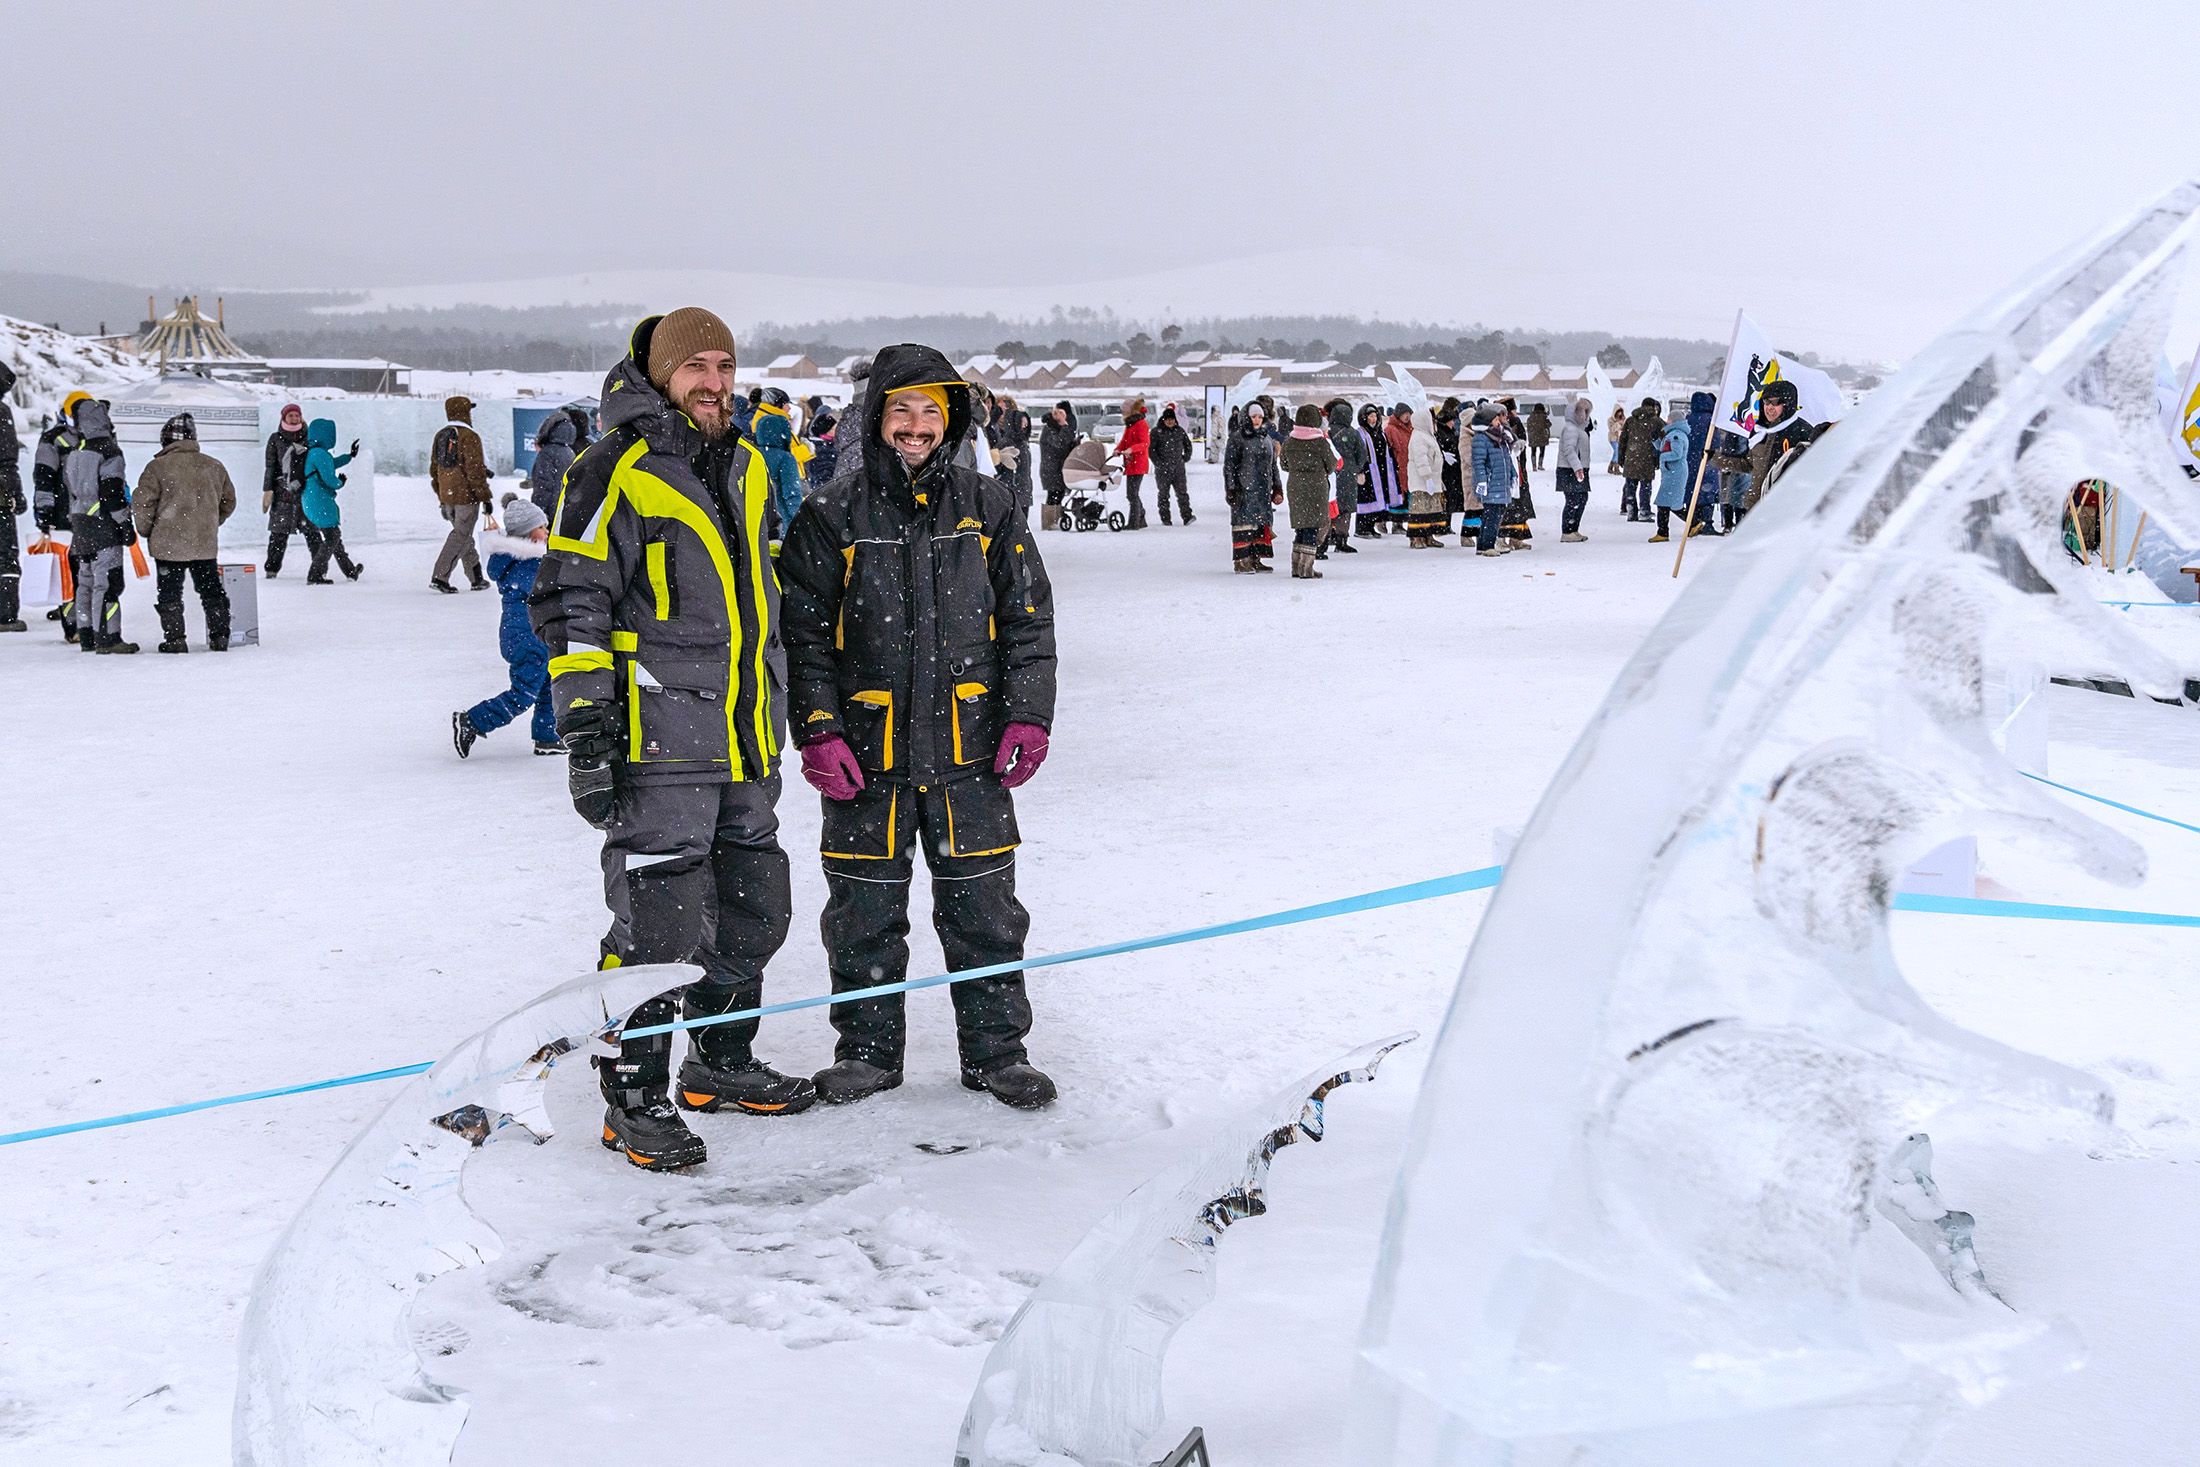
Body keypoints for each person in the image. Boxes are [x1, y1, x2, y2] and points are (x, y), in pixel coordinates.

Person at [532, 307, 813, 1172]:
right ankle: (633, 1097)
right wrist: (588, 732)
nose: (714, 382)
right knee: (659, 923)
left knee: (754, 905)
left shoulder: (749, 464)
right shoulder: (609, 467)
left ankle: (719, 1062)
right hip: (659, 738)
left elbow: (762, 599)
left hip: (745, 734)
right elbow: (571, 601)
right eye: (696, 366)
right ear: (660, 374)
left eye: (725, 365)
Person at [778, 344, 1060, 1109]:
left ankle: (996, 1051)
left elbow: (1028, 620)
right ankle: (868, 1052)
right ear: (876, 417)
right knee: (862, 914)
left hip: (972, 752)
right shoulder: (830, 514)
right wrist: (818, 728)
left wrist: (1028, 714)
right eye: (900, 409)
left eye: (930, 410)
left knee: (987, 913)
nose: (915, 425)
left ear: (951, 419)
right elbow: (803, 636)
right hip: (867, 756)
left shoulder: (989, 506)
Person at [453, 495, 560, 758]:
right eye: (541, 527)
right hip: (528, 637)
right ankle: (472, 721)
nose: (547, 532)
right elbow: (549, 593)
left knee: (547, 684)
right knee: (523, 694)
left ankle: (547, 736)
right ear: (527, 533)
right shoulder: (530, 564)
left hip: (529, 634)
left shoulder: (520, 560)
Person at [133, 413, 236, 653]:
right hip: (204, 543)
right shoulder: (213, 466)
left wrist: (148, 530)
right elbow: (228, 501)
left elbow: (143, 504)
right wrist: (210, 522)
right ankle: (220, 636)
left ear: (166, 440)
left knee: (170, 593)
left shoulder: (157, 467)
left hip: (168, 544)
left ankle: (175, 640)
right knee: (211, 590)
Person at [62, 397, 139, 653]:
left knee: (85, 582)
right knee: (108, 583)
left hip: (80, 523)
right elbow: (112, 491)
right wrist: (124, 522)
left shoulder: (75, 451)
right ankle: (108, 637)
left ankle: (87, 636)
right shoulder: (109, 451)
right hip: (103, 524)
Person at [1713, 378, 1817, 512]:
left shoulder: (1802, 431)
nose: (1769, 407)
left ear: (1788, 404)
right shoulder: (1759, 432)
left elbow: (1812, 474)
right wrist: (1715, 458)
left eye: (1776, 402)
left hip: (1784, 509)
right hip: (1755, 507)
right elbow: (1748, 464)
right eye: (1766, 402)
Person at [33, 392, 88, 640]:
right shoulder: (100, 436)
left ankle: (78, 625)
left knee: (73, 575)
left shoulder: (52, 439)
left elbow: (43, 479)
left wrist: (44, 514)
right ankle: (79, 626)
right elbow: (44, 479)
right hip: (79, 519)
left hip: (69, 518)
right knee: (78, 574)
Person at [429, 394, 494, 593]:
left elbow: (434, 469)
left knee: (463, 536)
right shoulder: (469, 436)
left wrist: (442, 495)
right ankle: (440, 577)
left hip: (447, 497)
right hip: (466, 498)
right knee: (460, 536)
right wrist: (485, 497)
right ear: (465, 412)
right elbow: (474, 471)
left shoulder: (441, 435)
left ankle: (476, 578)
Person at [301, 418, 365, 582]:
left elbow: (331, 463)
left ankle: (350, 571)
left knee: (334, 537)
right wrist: (340, 482)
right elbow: (330, 479)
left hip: (312, 500)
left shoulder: (314, 452)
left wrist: (349, 456)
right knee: (332, 537)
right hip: (320, 500)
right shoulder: (319, 454)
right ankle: (315, 574)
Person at [262, 404, 322, 577]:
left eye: (297, 415)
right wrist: (267, 490)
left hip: (306, 492)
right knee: (278, 534)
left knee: (313, 533)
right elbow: (271, 466)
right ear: (284, 418)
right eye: (291, 416)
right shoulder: (275, 438)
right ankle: (272, 570)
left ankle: (319, 569)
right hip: (283, 493)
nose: (294, 419)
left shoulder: (310, 438)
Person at [1281, 404, 1341, 578]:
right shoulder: (1320, 442)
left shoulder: (1290, 441)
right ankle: (1306, 568)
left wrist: (1298, 471)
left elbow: (1284, 464)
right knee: (1312, 527)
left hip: (1295, 487)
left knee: (1301, 527)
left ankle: (1296, 567)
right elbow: (1332, 465)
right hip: (1317, 487)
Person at [1225, 401, 1279, 573]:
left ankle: (1256, 559)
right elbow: (1229, 466)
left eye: (1260, 417)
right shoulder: (1237, 438)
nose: (1257, 420)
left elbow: (1273, 465)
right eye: (1254, 416)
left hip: (1263, 491)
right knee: (1244, 525)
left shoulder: (1266, 438)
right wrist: (1231, 489)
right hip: (1244, 489)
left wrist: (1277, 487)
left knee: (1259, 525)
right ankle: (1242, 561)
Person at [752, 398, 806, 540]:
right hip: (781, 522)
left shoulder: (752, 455)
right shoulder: (785, 458)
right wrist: (801, 521)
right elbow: (791, 494)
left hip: (756, 521)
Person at [1469, 402, 1516, 557]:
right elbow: (1478, 463)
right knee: (1492, 516)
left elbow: (1506, 458)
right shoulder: (1481, 439)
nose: (1498, 422)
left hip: (1500, 483)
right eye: (1495, 420)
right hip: (1490, 483)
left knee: (1494, 515)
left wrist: (1512, 474)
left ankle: (1483, 545)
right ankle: (1487, 545)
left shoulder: (1499, 437)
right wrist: (1482, 481)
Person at [1324, 398, 1365, 555]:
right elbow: (1362, 454)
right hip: (1348, 474)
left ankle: (1325, 538)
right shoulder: (1353, 433)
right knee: (1345, 508)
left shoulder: (1327, 432)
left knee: (1330, 506)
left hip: (1331, 474)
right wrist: (1355, 468)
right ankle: (1342, 540)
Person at [1404, 405, 1448, 548]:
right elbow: (1421, 459)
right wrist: (1427, 476)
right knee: (1420, 509)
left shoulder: (1428, 436)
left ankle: (1429, 535)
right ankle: (1417, 537)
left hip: (1432, 480)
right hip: (1421, 481)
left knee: (1431, 509)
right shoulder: (1418, 437)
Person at [1554, 397, 1595, 541]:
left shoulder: (1580, 429)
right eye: (1582, 413)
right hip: (1569, 470)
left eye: (1587, 413)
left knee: (1581, 498)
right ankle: (1567, 531)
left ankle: (1573, 529)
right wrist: (1577, 467)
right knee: (1573, 499)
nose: (1585, 416)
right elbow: (1569, 450)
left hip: (1578, 469)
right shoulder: (1570, 429)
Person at [0, 363, 21, 632]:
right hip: (0, 498)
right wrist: (16, 494)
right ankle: (5, 615)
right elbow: (7, 460)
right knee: (5, 555)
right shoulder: (1, 413)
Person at [527, 411, 579, 520]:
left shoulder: (547, 453)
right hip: (564, 511)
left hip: (549, 514)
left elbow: (543, 486)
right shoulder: (569, 452)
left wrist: (538, 514)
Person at [1619, 396, 1664, 522]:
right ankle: (1644, 511)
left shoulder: (1630, 420)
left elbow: (1623, 440)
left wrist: (1621, 458)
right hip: (1647, 459)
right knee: (1645, 486)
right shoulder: (1656, 421)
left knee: (1630, 486)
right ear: (1652, 407)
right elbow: (1664, 437)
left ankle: (1631, 510)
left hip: (1631, 458)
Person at [1037, 401, 1080, 530]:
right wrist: (1065, 426)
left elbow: (1065, 444)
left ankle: (1055, 520)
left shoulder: (1058, 428)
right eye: (1059, 414)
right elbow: (1059, 443)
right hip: (1051, 469)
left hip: (1058, 467)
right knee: (1053, 494)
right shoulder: (1050, 428)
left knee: (1059, 493)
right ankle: (1049, 522)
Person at [1149, 402, 1194, 525]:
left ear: (1175, 420)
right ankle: (1165, 518)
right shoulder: (1156, 432)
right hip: (1162, 471)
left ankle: (1187, 516)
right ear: (1163, 420)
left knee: (1182, 494)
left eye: (1172, 419)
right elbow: (1151, 450)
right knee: (1163, 495)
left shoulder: (1179, 431)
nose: (1170, 422)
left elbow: (1188, 445)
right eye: (1167, 420)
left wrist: (1186, 457)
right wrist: (1158, 463)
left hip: (1178, 469)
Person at [1650, 406, 1690, 543]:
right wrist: (1655, 441)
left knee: (1664, 503)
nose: (1667, 421)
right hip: (1672, 472)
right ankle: (1693, 523)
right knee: (1672, 504)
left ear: (1674, 420)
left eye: (1669, 419)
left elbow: (1676, 453)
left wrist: (1661, 457)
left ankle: (1663, 532)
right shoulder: (1674, 433)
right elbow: (1665, 447)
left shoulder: (1676, 435)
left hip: (1674, 473)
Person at [1356, 403, 1397, 536]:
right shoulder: (1361, 433)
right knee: (1366, 499)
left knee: (1376, 499)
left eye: (1375, 416)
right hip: (1367, 470)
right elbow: (1359, 453)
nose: (1373, 419)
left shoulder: (1379, 432)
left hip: (1380, 470)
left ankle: (1370, 526)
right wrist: (1360, 470)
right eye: (1370, 416)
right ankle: (1361, 527)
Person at [1116, 395, 1151, 528]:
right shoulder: (1130, 424)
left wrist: (1132, 449)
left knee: (1132, 494)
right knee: (1132, 494)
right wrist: (1118, 449)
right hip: (1131, 463)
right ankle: (1140, 518)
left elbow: (1145, 443)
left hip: (1138, 463)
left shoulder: (1141, 424)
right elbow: (1124, 441)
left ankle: (1134, 522)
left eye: (1124, 410)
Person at [995, 394, 1033, 515]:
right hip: (1007, 491)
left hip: (1020, 491)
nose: (1003, 413)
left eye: (1006, 409)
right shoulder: (994, 431)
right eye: (1000, 409)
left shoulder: (1021, 440)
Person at [1434, 396, 1464, 538]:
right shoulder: (1441, 431)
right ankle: (1441, 525)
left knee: (1451, 497)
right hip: (1445, 470)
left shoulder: (1450, 431)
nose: (1453, 422)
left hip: (1453, 469)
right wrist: (1443, 454)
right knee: (1445, 498)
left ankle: (1447, 524)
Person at [1383, 404, 1414, 533]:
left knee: (1405, 495)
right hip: (1396, 466)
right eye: (1404, 414)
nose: (1407, 417)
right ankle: (1392, 522)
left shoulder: (1411, 429)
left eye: (1409, 414)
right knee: (1396, 494)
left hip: (1408, 466)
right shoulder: (1390, 429)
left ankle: (1400, 523)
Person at [1525, 402, 1552, 470]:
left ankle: (1534, 466)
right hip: (1542, 436)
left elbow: (1528, 426)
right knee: (1542, 451)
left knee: (1533, 451)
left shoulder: (1531, 417)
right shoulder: (1543, 416)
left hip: (1533, 437)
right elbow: (1548, 425)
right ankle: (1540, 465)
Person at [1607, 403, 1626, 475]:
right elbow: (1612, 429)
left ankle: (1611, 466)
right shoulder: (1610, 420)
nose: (1619, 414)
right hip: (1613, 438)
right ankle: (1616, 468)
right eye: (1618, 412)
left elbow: (1624, 428)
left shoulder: (1623, 419)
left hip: (1620, 438)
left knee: (1617, 452)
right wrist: (1618, 423)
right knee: (1617, 451)